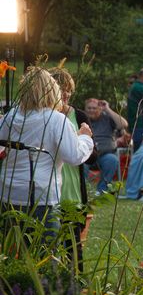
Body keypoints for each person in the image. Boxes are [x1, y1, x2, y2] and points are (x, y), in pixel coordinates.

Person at [0, 67, 93, 241]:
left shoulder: (11, 116)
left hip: (9, 192)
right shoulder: (56, 119)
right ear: (52, 90)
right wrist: (85, 139)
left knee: (12, 250)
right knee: (45, 252)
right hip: (42, 195)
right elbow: (73, 156)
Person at [49, 67, 97, 270]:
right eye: (61, 89)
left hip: (73, 195)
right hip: (49, 194)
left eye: (68, 89)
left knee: (74, 254)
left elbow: (93, 158)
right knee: (47, 250)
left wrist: (83, 139)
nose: (66, 94)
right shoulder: (44, 118)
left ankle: (76, 294)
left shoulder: (78, 115)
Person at [85, 97, 128, 194]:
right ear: (85, 109)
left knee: (112, 160)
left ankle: (101, 191)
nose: (91, 110)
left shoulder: (108, 118)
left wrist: (108, 109)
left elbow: (124, 124)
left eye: (94, 108)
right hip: (87, 155)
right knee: (79, 163)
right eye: (89, 108)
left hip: (105, 155)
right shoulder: (82, 119)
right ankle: (83, 191)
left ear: (100, 108)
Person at [127, 68, 143, 150]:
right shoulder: (138, 87)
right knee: (140, 149)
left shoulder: (138, 86)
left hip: (139, 123)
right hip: (138, 123)